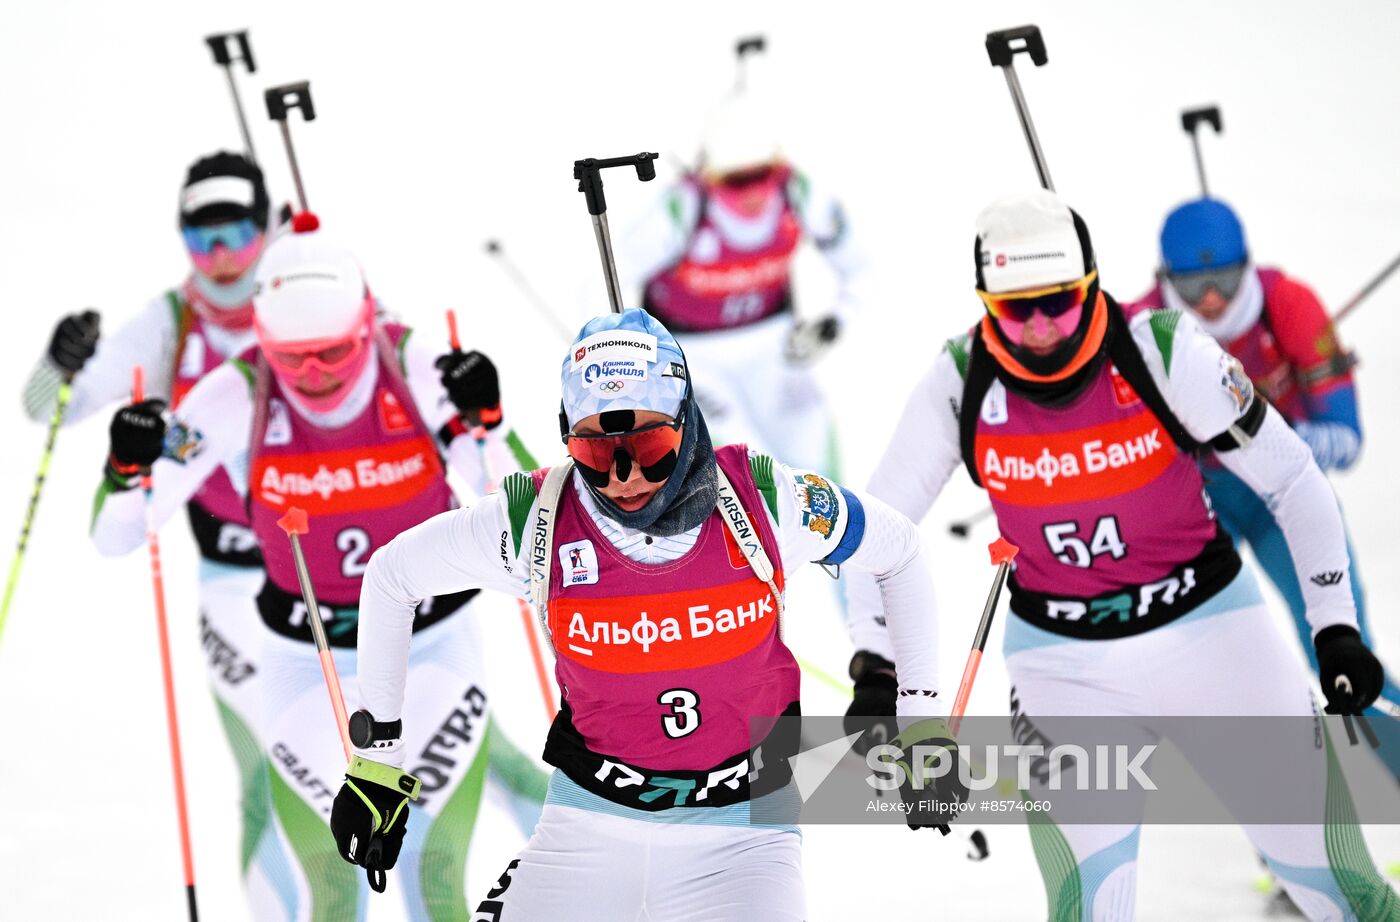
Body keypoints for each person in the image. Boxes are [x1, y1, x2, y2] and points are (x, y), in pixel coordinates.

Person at [844, 190, 1396, 920]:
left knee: (1337, 888)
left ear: (1092, 284)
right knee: (1090, 906)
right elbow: (872, 533)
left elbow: (1294, 479)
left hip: (1214, 636)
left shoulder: (1165, 351)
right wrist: (881, 676)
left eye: (1060, 304)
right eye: (1017, 310)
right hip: (1064, 670)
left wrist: (1334, 626)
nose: (1041, 328)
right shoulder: (960, 378)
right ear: (985, 303)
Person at [333, 308, 954, 921]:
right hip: (587, 828)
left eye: (651, 445)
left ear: (686, 422)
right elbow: (392, 577)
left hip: (743, 837)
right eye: (596, 453)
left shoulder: (766, 500)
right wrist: (377, 762)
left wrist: (922, 718)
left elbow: (897, 551)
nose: (625, 476)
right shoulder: (534, 524)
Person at [89, 216, 547, 922]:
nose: (314, 375)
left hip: (433, 650)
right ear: (264, 339)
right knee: (333, 890)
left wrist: (487, 421)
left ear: (368, 323)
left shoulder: (415, 367)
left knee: (435, 873)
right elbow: (118, 534)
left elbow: (528, 516)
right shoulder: (233, 392)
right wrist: (127, 467)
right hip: (306, 663)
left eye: (333, 353)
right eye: (292, 357)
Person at [22, 151, 280, 905]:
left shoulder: (308, 300)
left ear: (264, 229)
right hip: (233, 580)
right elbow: (50, 408)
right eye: (203, 242)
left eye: (236, 233)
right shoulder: (170, 321)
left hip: (332, 571)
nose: (223, 258)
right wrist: (57, 363)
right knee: (268, 776)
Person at [1128, 197, 1399, 781]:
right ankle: (1284, 846)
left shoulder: (1288, 306)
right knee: (1228, 676)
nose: (1210, 300)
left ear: (1248, 265)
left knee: (1345, 650)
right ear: (1163, 280)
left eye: (1224, 278)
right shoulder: (1143, 330)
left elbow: (1347, 442)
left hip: (1282, 497)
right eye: (1191, 283)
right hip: (1198, 509)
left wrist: (1272, 432)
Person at [620, 90, 866, 477]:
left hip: (774, 350)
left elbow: (861, 266)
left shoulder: (798, 193)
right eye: (736, 182)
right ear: (710, 175)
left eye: (763, 176)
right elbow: (601, 279)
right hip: (694, 359)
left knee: (818, 465)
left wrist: (836, 322)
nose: (752, 194)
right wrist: (622, 355)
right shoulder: (681, 209)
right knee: (752, 469)